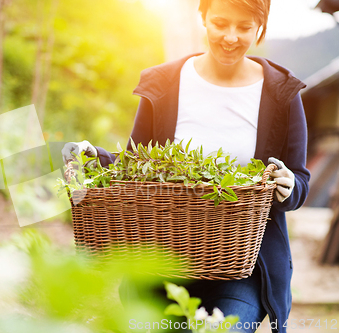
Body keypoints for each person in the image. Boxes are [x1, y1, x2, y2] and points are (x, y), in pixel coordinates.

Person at [61, 0, 310, 332]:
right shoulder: (164, 83)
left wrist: (289, 185)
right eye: (221, 23)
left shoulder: (281, 92)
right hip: (163, 259)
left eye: (244, 27)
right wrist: (98, 159)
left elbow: (299, 180)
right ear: (203, 17)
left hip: (245, 267)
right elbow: (139, 165)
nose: (231, 37)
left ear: (260, 28)